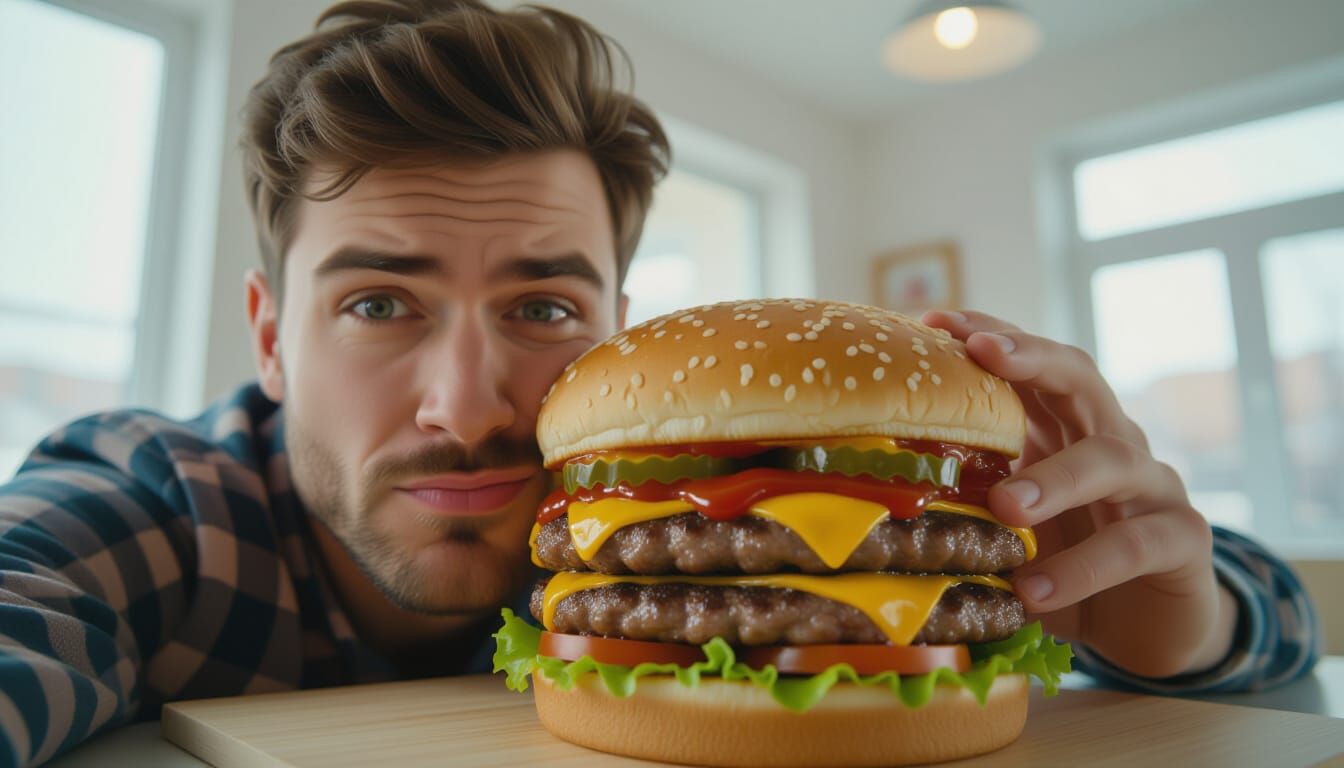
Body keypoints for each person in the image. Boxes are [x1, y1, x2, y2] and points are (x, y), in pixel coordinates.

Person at [0, 1, 1319, 765]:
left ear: (619, 332)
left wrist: (1187, 627)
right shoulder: (161, 513)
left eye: (545, 307)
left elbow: (1257, 610)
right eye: (378, 303)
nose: (469, 405)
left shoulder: (702, 506)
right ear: (271, 339)